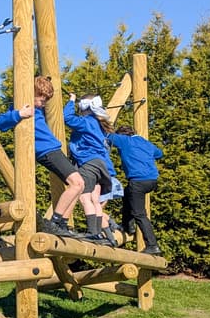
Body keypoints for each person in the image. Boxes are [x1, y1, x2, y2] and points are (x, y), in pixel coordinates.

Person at [0, 76, 85, 237]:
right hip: (46, 151)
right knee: (77, 183)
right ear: (32, 93)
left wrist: (71, 100)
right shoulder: (24, 106)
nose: (44, 103)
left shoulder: (38, 109)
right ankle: (54, 221)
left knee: (80, 185)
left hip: (53, 149)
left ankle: (62, 223)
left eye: (46, 100)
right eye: (42, 99)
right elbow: (0, 123)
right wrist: (19, 114)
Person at [107, 123, 164, 256]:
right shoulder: (145, 142)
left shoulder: (125, 140)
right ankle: (128, 226)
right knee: (127, 193)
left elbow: (107, 136)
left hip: (138, 181)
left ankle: (152, 245)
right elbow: (159, 154)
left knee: (139, 214)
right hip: (152, 180)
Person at [65, 93, 115, 242]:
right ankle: (99, 233)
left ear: (84, 107)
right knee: (94, 199)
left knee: (84, 197)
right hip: (101, 165)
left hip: (89, 162)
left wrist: (71, 101)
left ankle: (93, 232)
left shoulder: (86, 121)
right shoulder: (99, 124)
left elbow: (67, 118)